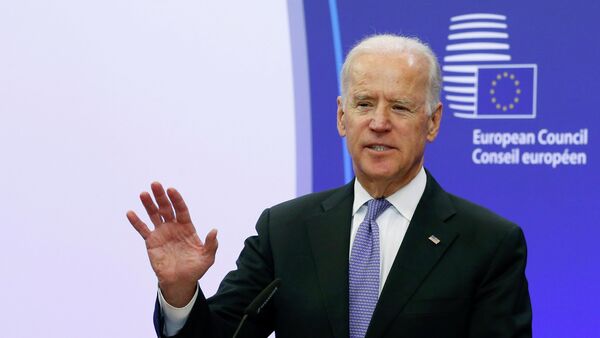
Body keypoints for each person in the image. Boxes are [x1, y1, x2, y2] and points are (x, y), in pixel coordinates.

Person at [127, 34, 532, 338]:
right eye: (364, 103)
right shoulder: (285, 230)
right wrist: (180, 292)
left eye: (401, 106)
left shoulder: (488, 243)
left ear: (433, 121)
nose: (379, 122)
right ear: (342, 117)